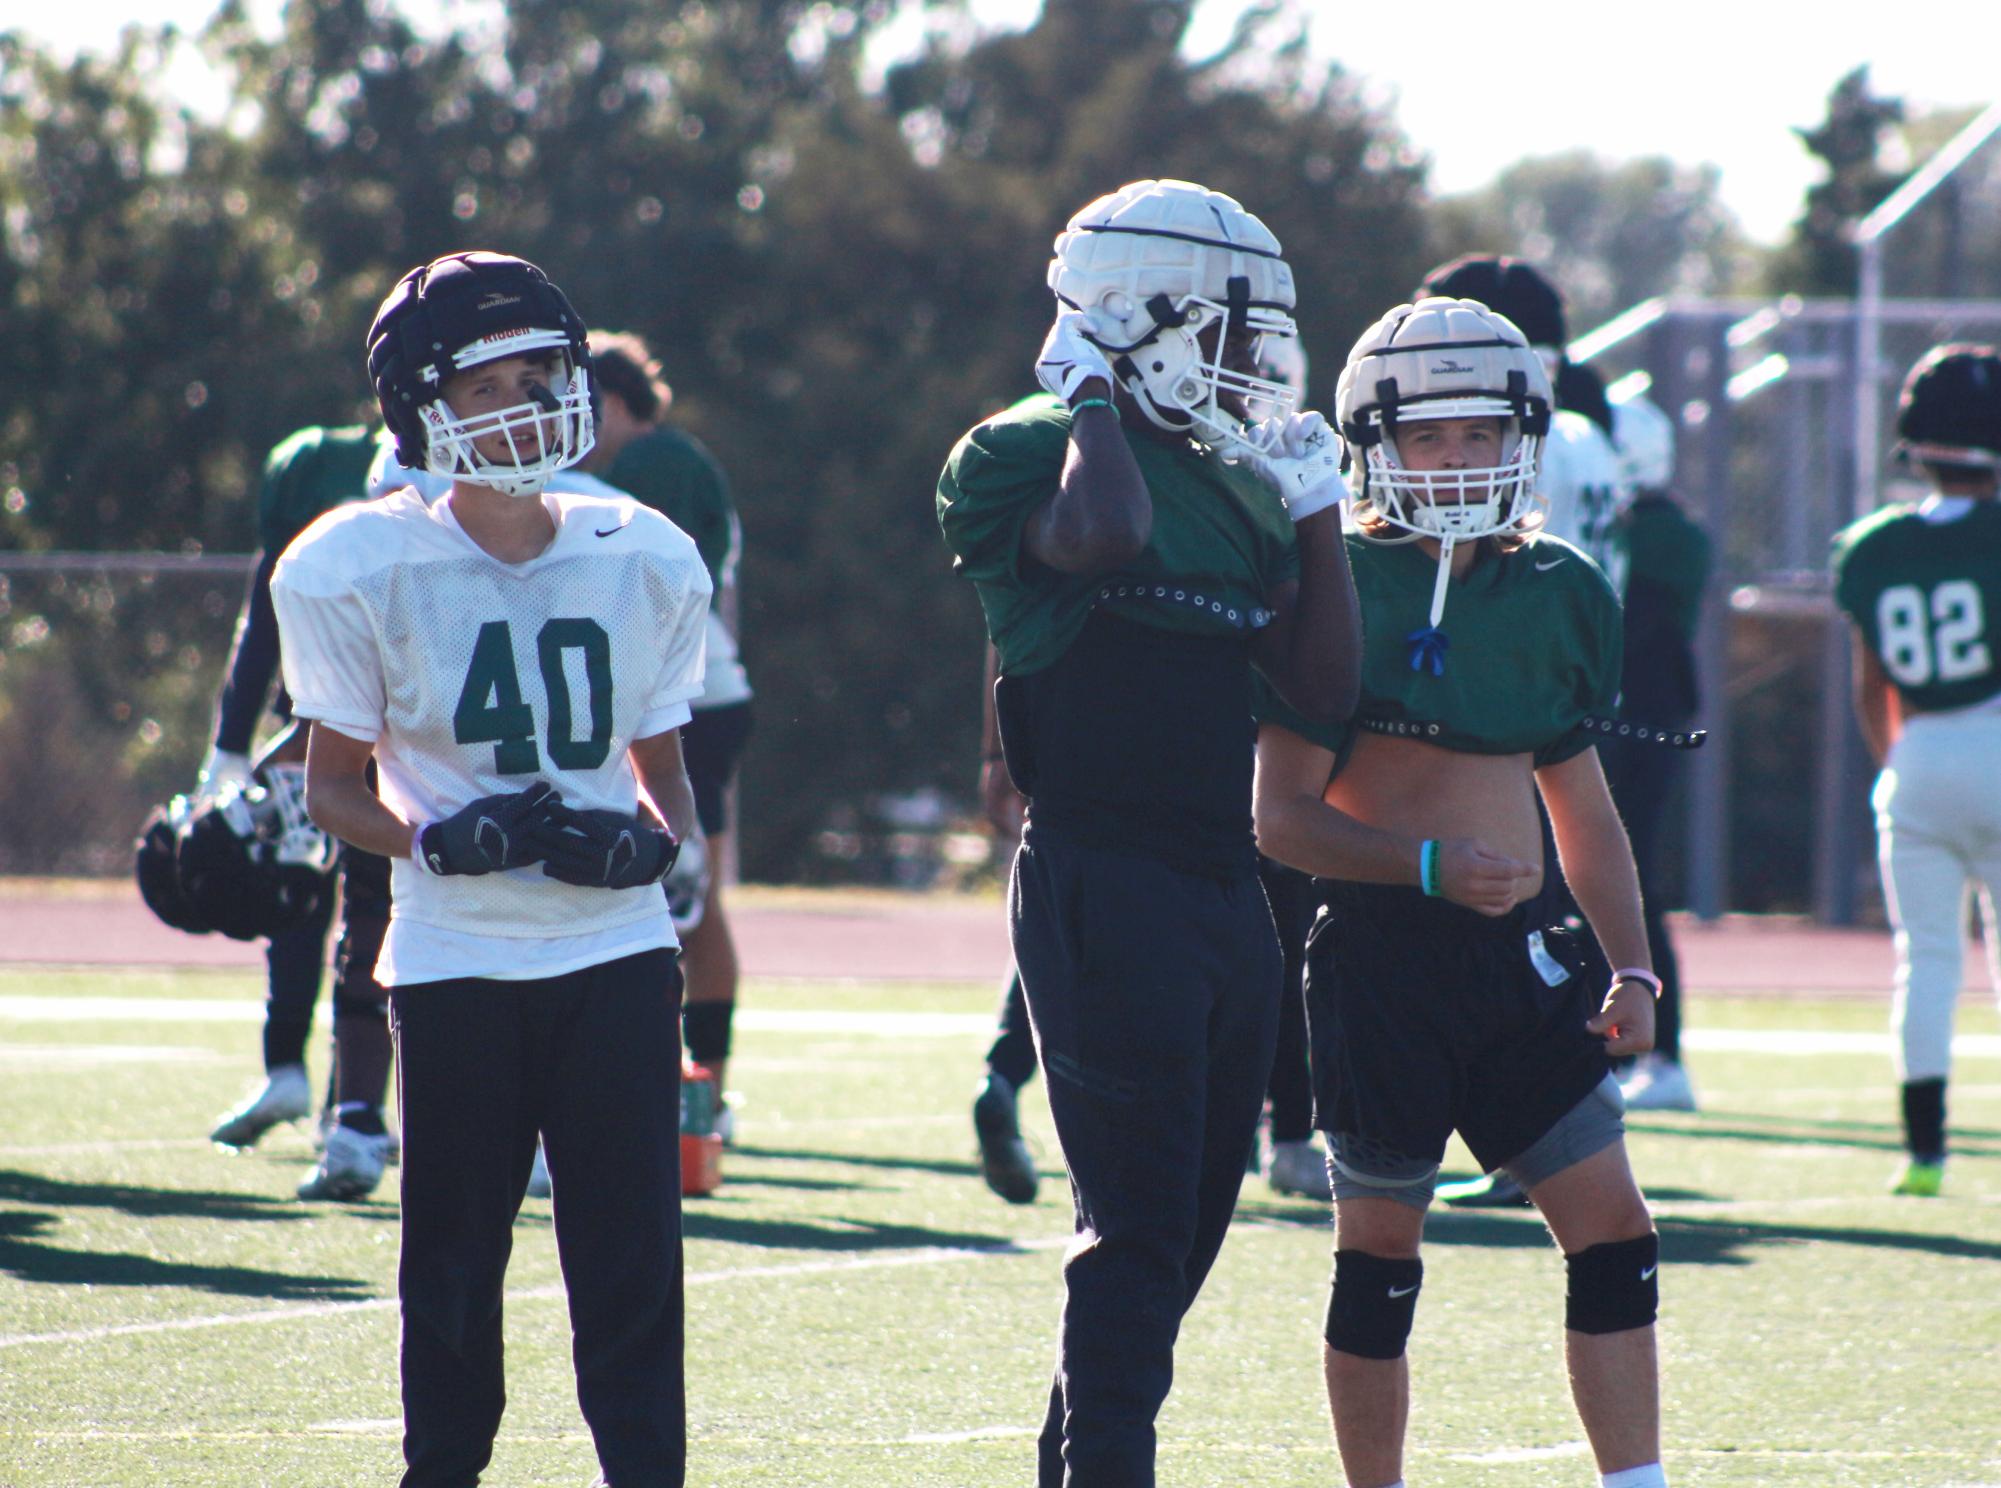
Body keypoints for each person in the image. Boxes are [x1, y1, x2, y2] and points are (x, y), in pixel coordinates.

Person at [937, 178, 1360, 1485]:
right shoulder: (1021, 449)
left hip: (1222, 884)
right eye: (1228, 332)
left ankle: (1075, 1460)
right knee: (1131, 1228)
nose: (1249, 364)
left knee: (1187, 1230)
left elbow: (1321, 692)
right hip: (1098, 872)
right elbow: (1103, 532)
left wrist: (1313, 511)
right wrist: (1090, 396)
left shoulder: (1230, 479)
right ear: (1135, 315)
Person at [271, 250, 710, 1486]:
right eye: (492, 381)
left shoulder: (644, 550)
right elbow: (333, 789)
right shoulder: (360, 561)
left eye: (543, 372)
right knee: (453, 1266)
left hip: (614, 951)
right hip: (456, 955)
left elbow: (662, 771)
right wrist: (431, 835)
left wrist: (653, 843)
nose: (528, 399)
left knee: (629, 1261)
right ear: (424, 406)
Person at [1253, 295, 1668, 1488]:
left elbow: (1585, 814)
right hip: (1381, 959)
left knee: (1618, 1235)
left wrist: (1632, 966)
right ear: (1374, 445)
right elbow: (1280, 819)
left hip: (1524, 962)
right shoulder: (1336, 584)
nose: (1456, 458)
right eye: (1427, 437)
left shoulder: (1558, 588)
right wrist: (1426, 866)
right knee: (1380, 1258)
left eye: (1479, 433)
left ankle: (1635, 1482)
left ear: (1524, 436)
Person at [1413, 255, 1630, 1207]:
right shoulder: (1593, 427)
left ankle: (1533, 1123)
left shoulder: (1525, 432)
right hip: (1566, 662)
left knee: (1522, 907)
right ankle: (1541, 1126)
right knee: (1557, 889)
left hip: (1509, 670)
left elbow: (1489, 549)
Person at [199, 422, 402, 1204]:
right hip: (342, 723)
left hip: (450, 743)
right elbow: (269, 614)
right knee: (331, 897)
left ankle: (510, 1125)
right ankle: (348, 1114)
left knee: (411, 923)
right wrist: (240, 748)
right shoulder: (327, 476)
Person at [1831, 343, 2001, 1198]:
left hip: (1919, 755)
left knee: (1925, 959)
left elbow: (1871, 687)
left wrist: (1897, 770)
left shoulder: (1869, 546)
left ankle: (1924, 1154)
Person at [584, 330, 754, 1137]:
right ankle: (701, 1088)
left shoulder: (654, 463)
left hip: (680, 695)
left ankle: (691, 1091)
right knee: (689, 898)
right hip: (691, 690)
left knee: (676, 896)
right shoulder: (669, 461)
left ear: (613, 402)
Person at [1605, 390, 1711, 1112]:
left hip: (1639, 720)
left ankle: (1662, 1052)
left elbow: (1628, 614)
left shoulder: (1665, 534)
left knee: (1625, 876)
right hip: (1626, 717)